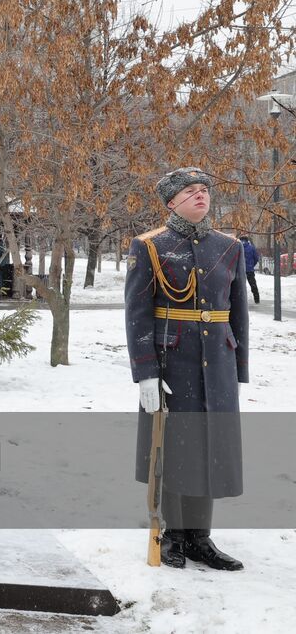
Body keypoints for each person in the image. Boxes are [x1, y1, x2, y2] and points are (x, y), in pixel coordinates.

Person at [124, 167, 246, 571]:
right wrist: (145, 372)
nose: (200, 196)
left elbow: (237, 312)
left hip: (218, 365)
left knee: (210, 446)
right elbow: (138, 314)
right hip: (171, 362)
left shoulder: (229, 247)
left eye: (204, 190)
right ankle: (173, 533)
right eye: (190, 191)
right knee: (174, 447)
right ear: (172, 202)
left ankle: (200, 537)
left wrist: (237, 369)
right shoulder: (150, 246)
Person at [239, 235, 260, 304]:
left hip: (240, 271)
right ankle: (256, 299)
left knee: (240, 286)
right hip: (249, 270)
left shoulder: (238, 247)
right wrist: (251, 265)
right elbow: (256, 258)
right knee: (253, 284)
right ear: (247, 240)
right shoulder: (251, 248)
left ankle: (241, 301)